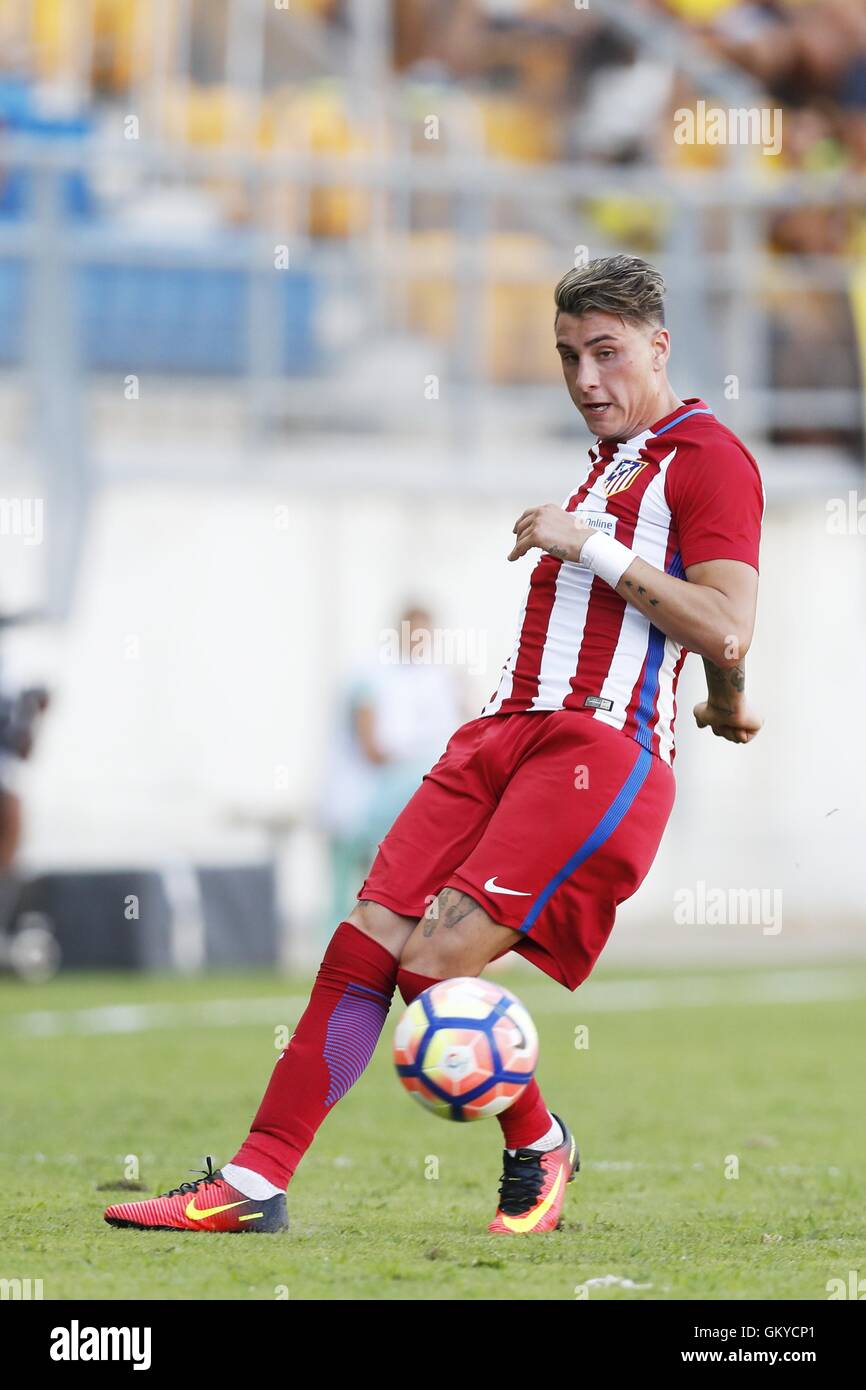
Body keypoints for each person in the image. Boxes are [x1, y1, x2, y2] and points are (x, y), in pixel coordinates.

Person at [104, 254, 764, 1237]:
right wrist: (727, 700)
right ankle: (250, 1184)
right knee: (366, 936)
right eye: (567, 355)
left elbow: (724, 617)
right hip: (497, 733)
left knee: (437, 958)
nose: (584, 378)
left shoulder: (709, 456)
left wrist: (590, 548)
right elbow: (714, 645)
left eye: (606, 353)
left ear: (658, 346)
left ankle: (536, 1138)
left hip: (593, 750)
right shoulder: (611, 461)